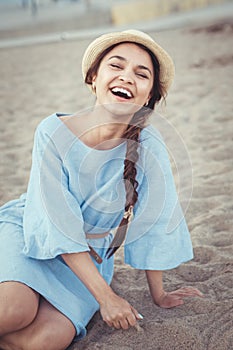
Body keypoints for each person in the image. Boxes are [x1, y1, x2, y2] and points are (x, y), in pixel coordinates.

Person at [0, 30, 203, 350]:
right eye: (116, 66)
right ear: (93, 77)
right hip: (31, 231)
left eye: (141, 74)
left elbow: (157, 219)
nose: (127, 77)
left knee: (45, 341)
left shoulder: (150, 145)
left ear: (149, 96)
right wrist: (106, 297)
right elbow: (56, 221)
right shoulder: (53, 130)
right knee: (13, 311)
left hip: (91, 256)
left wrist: (158, 294)